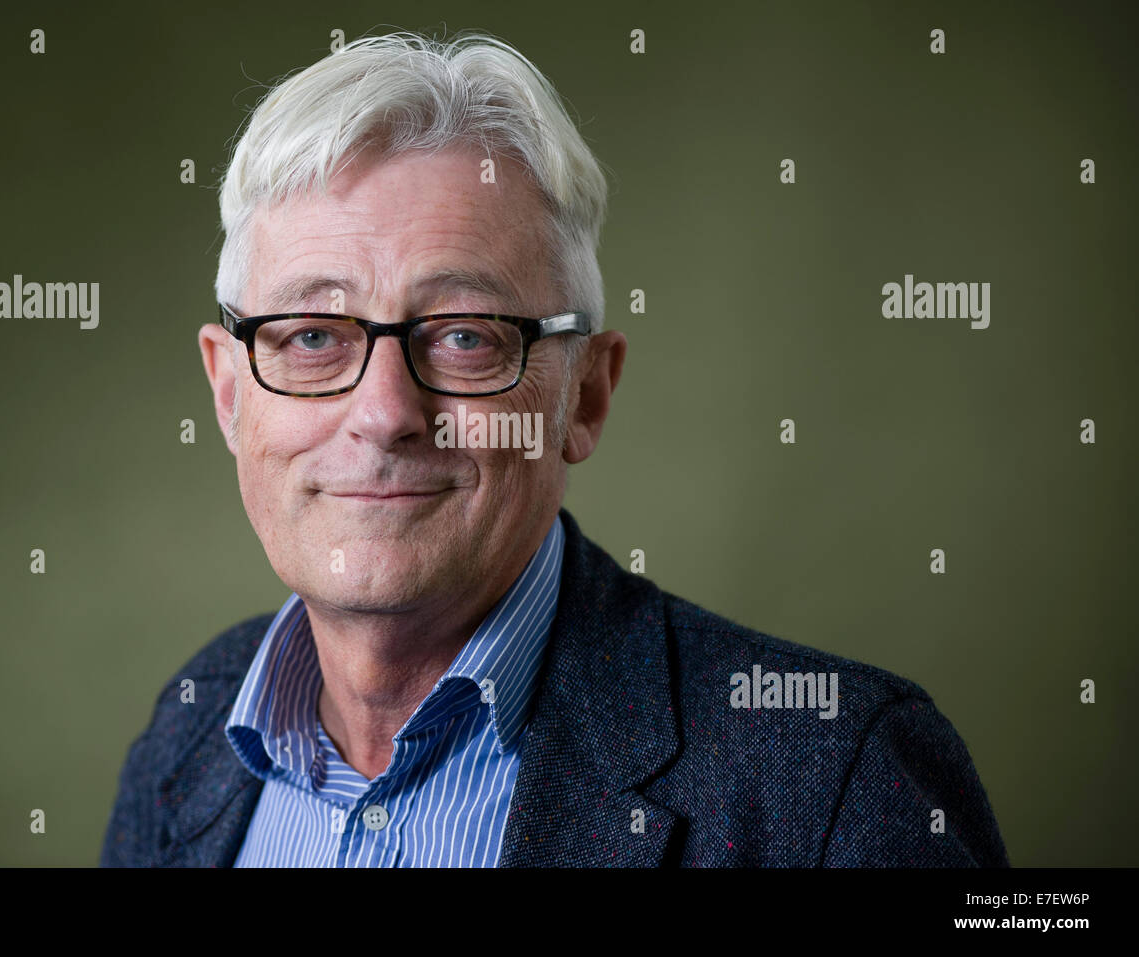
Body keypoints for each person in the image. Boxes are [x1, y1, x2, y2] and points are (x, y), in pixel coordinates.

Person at [100, 31, 1008, 867]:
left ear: (586, 393)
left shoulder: (835, 781)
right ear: (228, 394)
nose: (384, 413)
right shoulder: (190, 735)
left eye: (464, 336)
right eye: (310, 337)